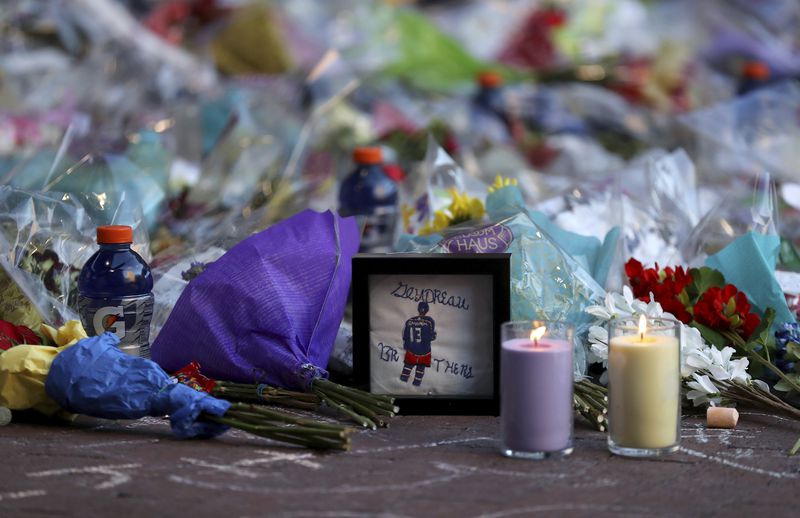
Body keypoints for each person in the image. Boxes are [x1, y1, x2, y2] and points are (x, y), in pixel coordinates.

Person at [400, 302, 436, 386]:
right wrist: (434, 336)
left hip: (411, 350)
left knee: (407, 366)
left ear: (418, 309)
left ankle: (403, 381)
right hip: (424, 351)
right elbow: (430, 336)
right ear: (427, 310)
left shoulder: (409, 320)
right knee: (420, 368)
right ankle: (416, 384)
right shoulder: (429, 321)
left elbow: (405, 336)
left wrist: (407, 346)